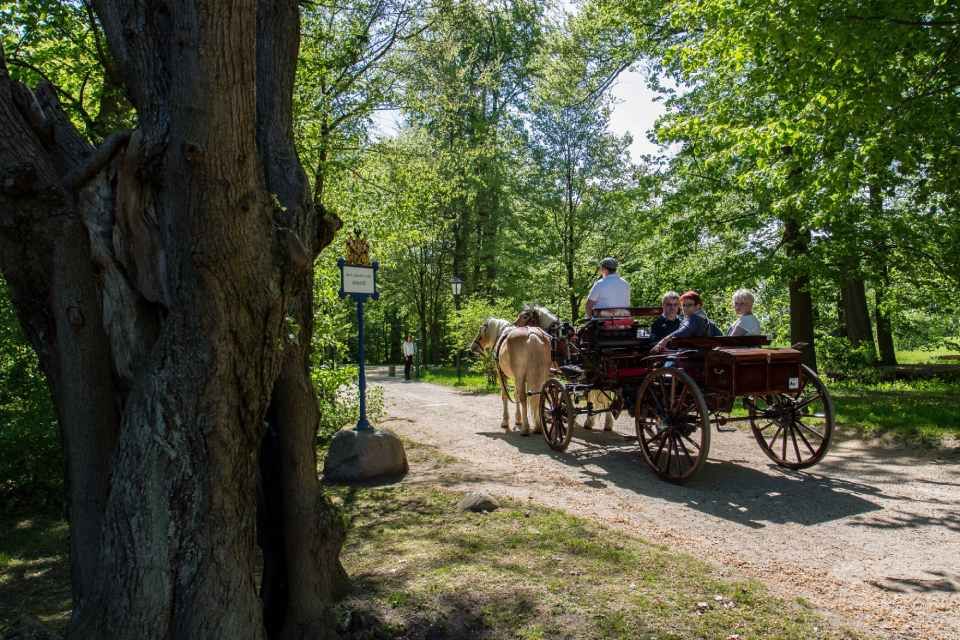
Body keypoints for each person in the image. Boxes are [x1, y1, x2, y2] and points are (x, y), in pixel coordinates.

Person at [651, 290, 721, 352]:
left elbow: (685, 330)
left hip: (695, 359)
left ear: (698, 306)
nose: (685, 308)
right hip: (690, 357)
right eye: (683, 305)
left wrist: (664, 341)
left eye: (689, 305)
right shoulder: (705, 321)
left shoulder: (696, 318)